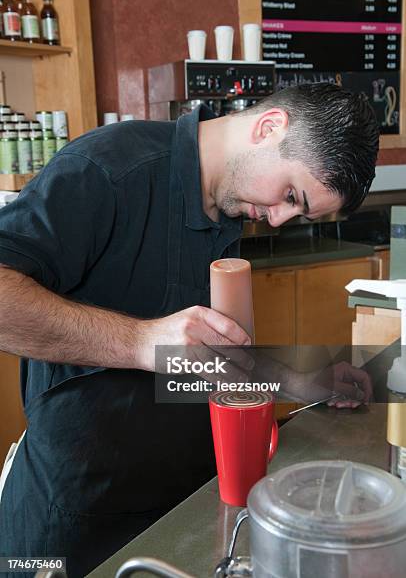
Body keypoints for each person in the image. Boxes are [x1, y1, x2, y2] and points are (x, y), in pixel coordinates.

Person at [0, 83, 379, 576]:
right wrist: (139, 342)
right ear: (269, 128)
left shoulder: (228, 209)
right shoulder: (110, 168)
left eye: (299, 213)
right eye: (290, 195)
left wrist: (299, 383)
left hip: (181, 513)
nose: (280, 219)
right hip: (73, 525)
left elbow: (200, 357)